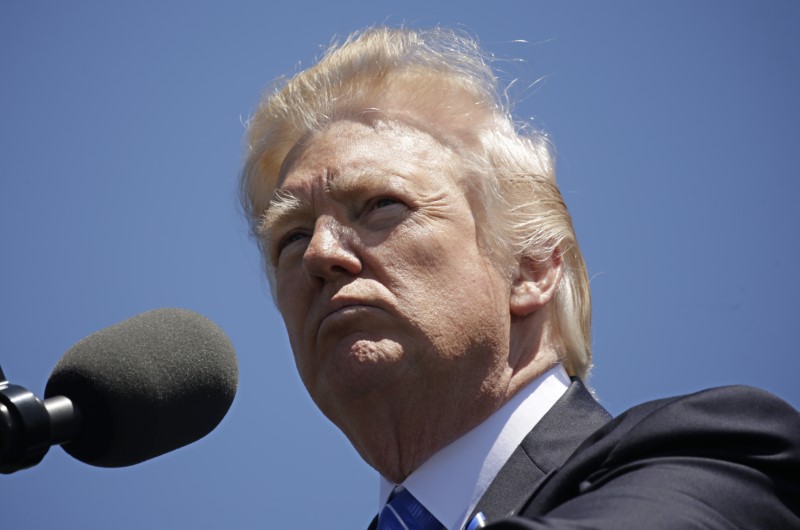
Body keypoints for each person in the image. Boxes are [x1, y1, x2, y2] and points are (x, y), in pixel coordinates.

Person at [240, 27, 800, 529]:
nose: (319, 253)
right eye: (291, 237)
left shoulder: (712, 456)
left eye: (381, 205)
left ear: (530, 267)